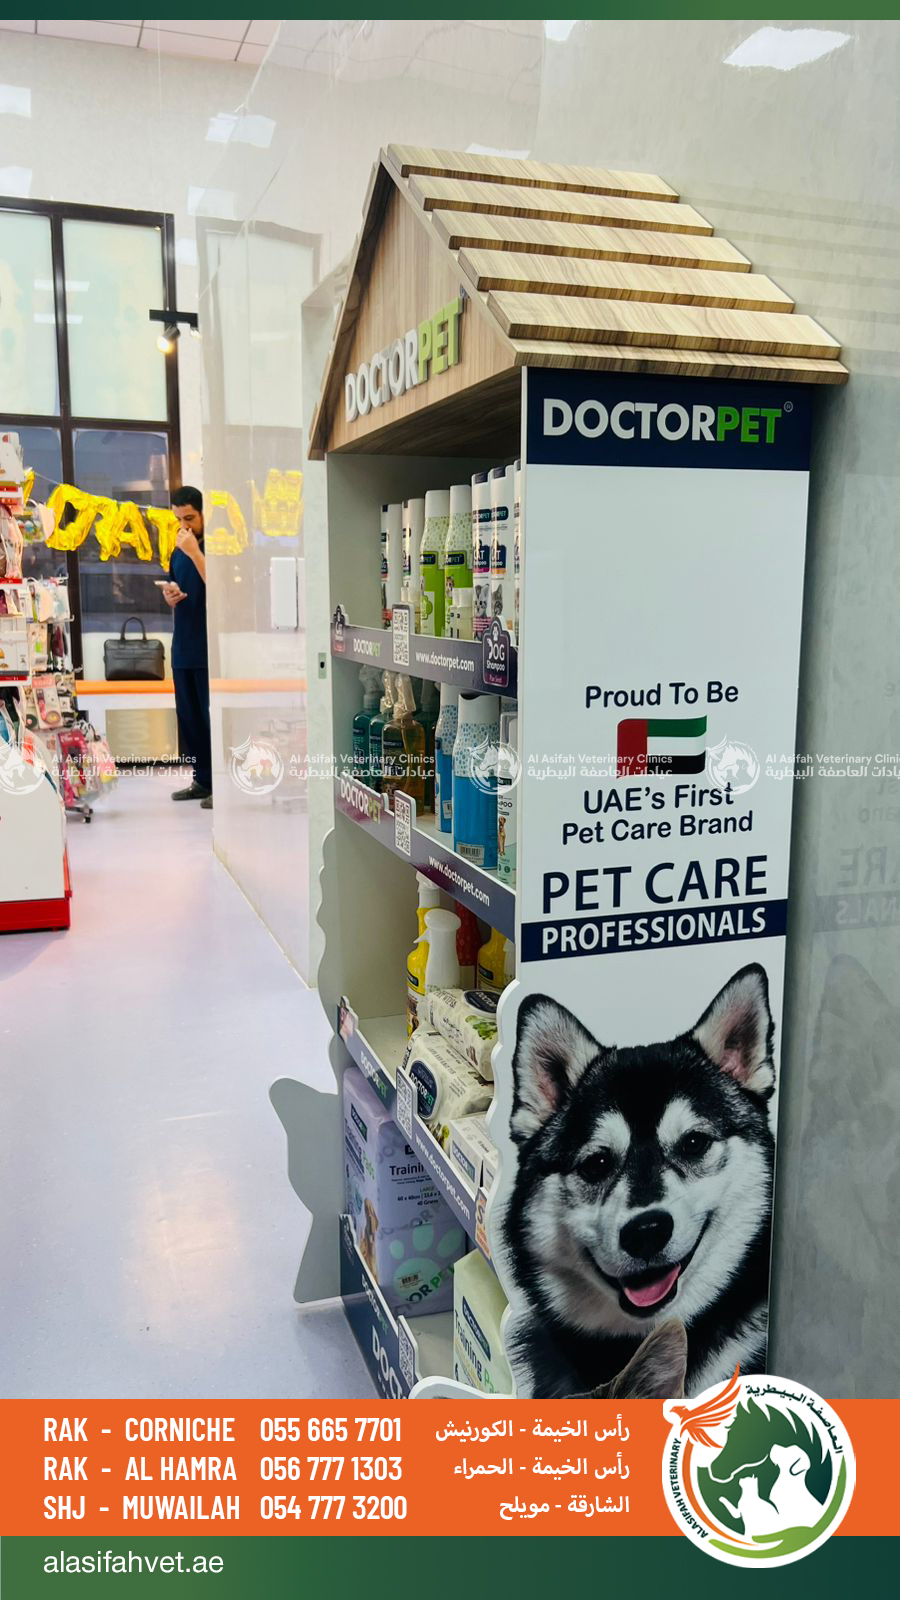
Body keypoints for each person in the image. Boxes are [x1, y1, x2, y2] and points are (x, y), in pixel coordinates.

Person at [162, 485, 212, 809]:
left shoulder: (212, 548)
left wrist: (195, 552)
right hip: (183, 646)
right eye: (179, 519)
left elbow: (220, 588)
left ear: (204, 514)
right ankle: (202, 781)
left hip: (209, 649)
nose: (184, 526)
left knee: (211, 720)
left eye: (190, 518)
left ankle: (221, 786)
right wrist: (169, 595)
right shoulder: (178, 549)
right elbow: (175, 586)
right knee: (190, 720)